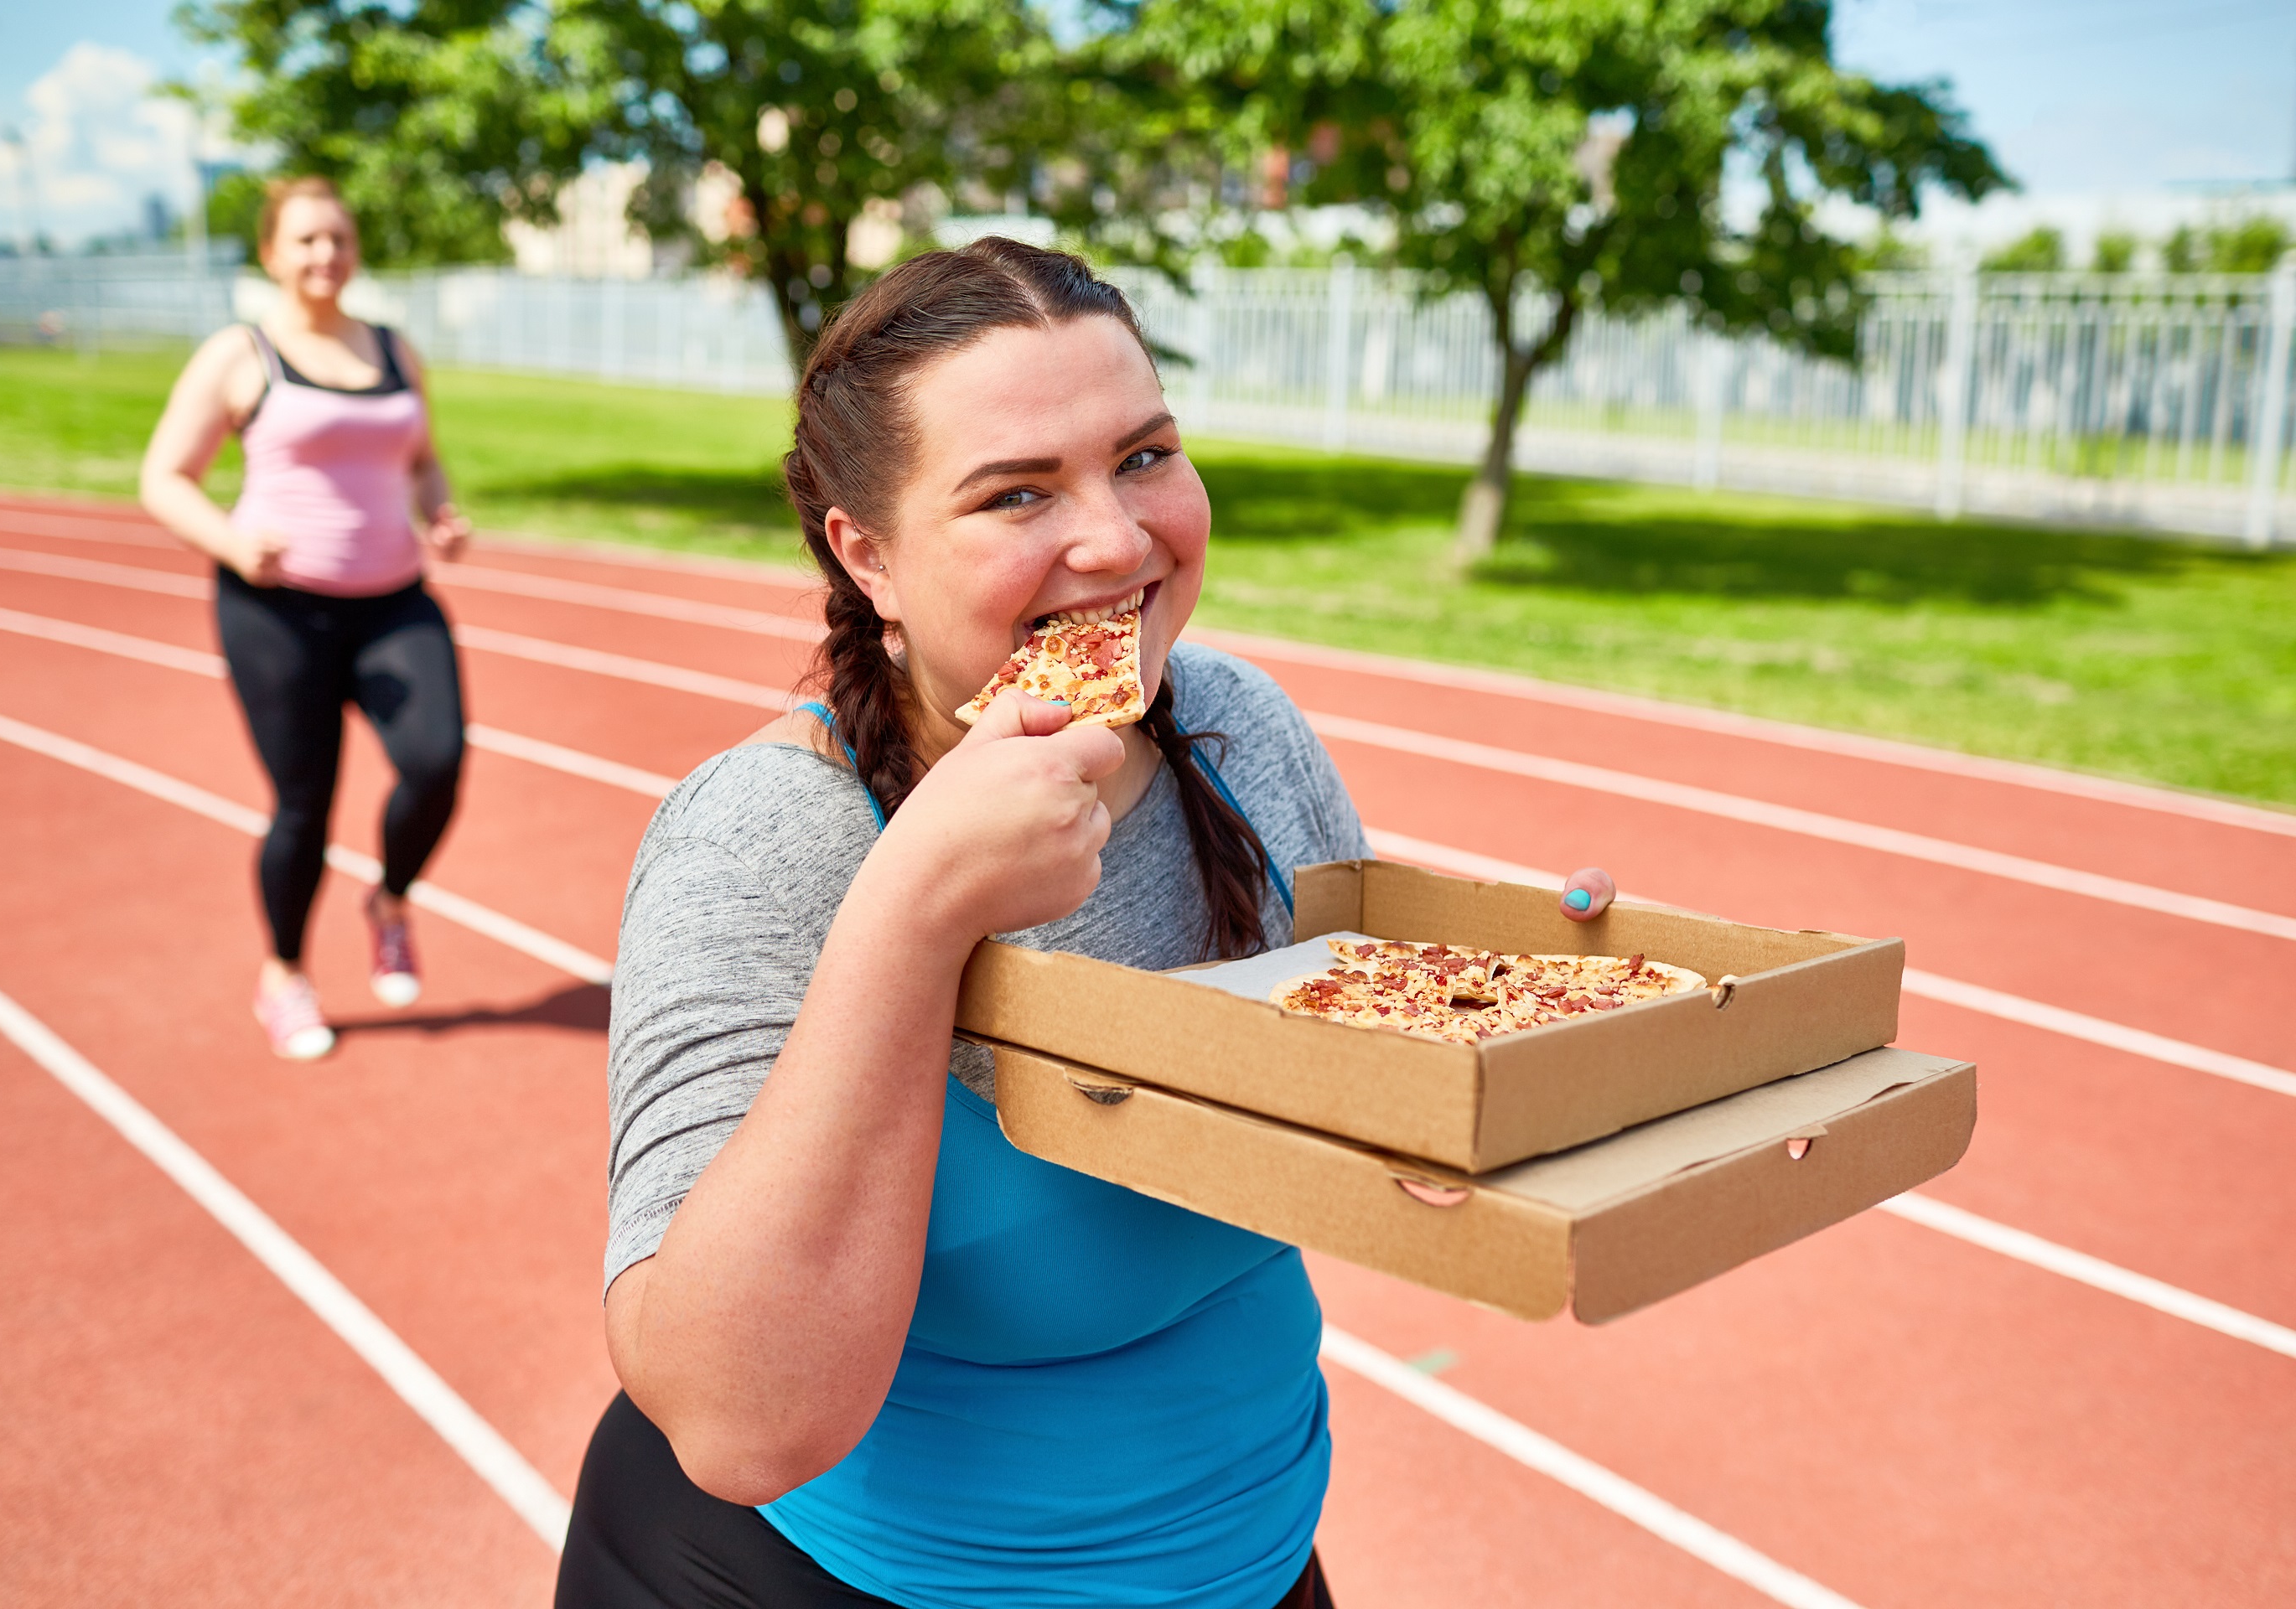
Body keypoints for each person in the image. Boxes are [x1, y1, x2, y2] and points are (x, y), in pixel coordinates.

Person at [561, 240, 1617, 1609]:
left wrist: (1529, 1028)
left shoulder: (1244, 736)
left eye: (1143, 456)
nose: (1118, 541)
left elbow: (1362, 1128)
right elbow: (740, 1426)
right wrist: (913, 913)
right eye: (1016, 494)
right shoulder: (772, 835)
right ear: (866, 554)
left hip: (1244, 1568)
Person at [139, 176, 471, 1060]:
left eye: (340, 239)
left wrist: (440, 511)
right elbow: (164, 477)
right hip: (277, 611)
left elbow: (423, 459)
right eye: (307, 241)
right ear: (272, 254)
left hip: (396, 602)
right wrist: (232, 542)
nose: (327, 256)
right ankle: (284, 973)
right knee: (304, 808)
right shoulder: (240, 354)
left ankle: (390, 899)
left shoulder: (394, 349)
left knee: (436, 764)